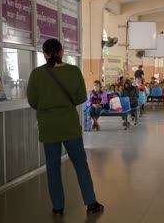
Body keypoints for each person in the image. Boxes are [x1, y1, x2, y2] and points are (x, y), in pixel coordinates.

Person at [27, 39, 104, 216]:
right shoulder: (73, 71)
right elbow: (80, 98)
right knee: (80, 165)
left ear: (45, 54)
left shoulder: (37, 74)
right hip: (70, 126)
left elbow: (32, 101)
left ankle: (58, 207)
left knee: (53, 168)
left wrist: (48, 104)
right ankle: (91, 203)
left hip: (49, 128)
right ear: (62, 52)